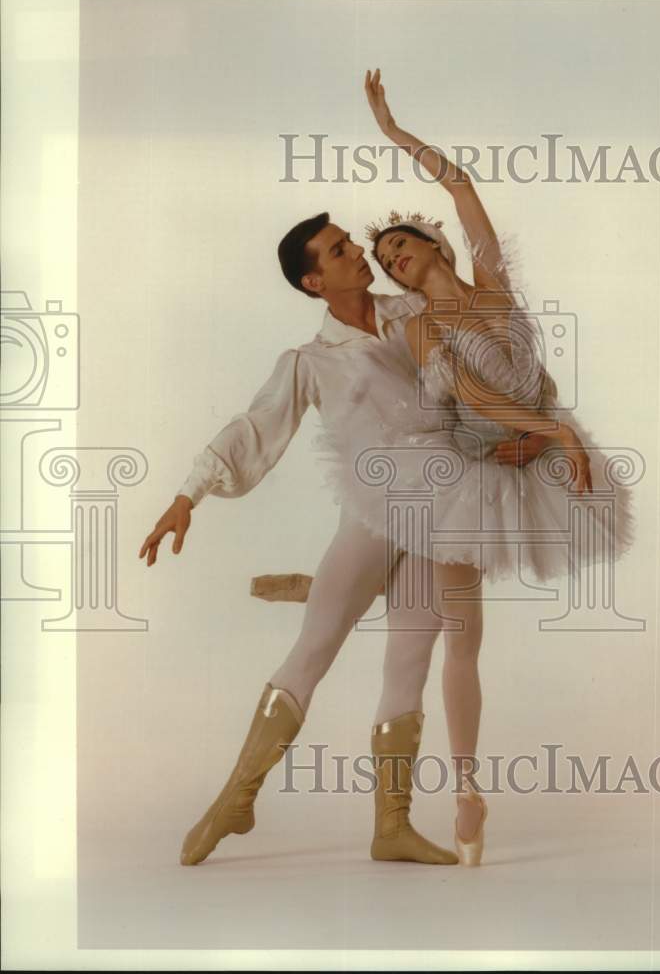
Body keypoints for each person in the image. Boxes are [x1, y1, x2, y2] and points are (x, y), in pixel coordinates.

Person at [138, 202, 546, 867]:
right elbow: (253, 425)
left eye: (349, 247)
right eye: (336, 253)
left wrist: (524, 437)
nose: (357, 254)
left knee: (409, 657)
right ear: (312, 284)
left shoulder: (415, 315)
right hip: (376, 510)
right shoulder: (309, 360)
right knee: (315, 648)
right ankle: (233, 800)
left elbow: (479, 383)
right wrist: (189, 495)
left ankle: (392, 826)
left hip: (440, 510)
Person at [315, 70, 637, 864]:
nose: (391, 260)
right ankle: (466, 790)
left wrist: (393, 133)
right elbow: (469, 398)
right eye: (384, 259)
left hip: (533, 447)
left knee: (467, 637)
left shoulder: (492, 280)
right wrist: (552, 434)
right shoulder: (421, 327)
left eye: (400, 245)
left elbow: (457, 184)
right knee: (463, 636)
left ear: (435, 246)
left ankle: (459, 786)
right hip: (469, 471)